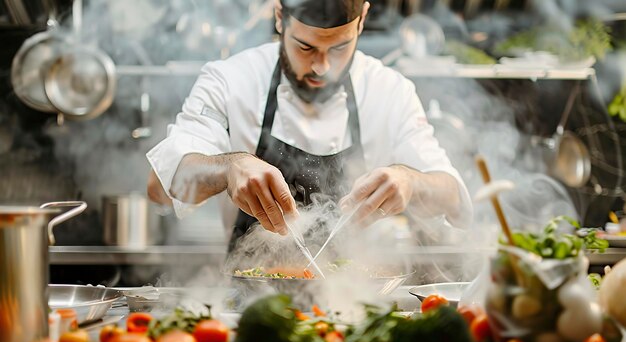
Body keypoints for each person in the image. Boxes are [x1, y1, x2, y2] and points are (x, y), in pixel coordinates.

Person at [146, 0, 472, 251]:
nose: (322, 66)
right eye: (306, 47)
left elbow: (455, 199)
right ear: (279, 17)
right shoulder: (230, 80)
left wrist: (411, 181)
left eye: (340, 48)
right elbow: (160, 188)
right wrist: (228, 169)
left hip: (355, 297)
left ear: (362, 20)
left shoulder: (391, 91)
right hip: (250, 306)